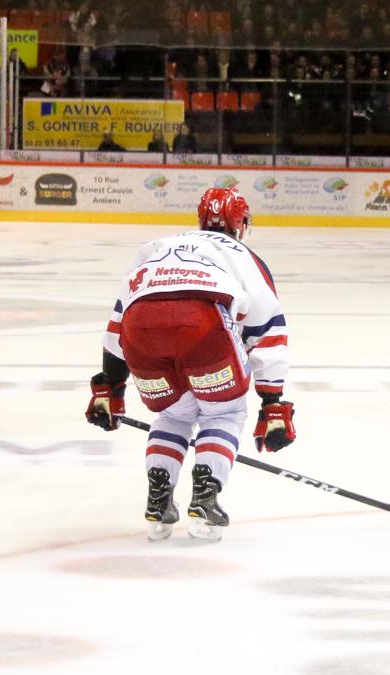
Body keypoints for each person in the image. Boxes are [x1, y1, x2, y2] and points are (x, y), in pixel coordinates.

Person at [85, 187, 295, 542]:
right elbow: (266, 327)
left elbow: (120, 320)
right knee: (223, 413)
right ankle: (205, 497)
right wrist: (272, 403)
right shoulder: (243, 255)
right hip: (202, 329)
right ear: (241, 224)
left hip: (141, 334)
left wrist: (110, 387)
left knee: (174, 415)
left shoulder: (157, 247)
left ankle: (159, 500)